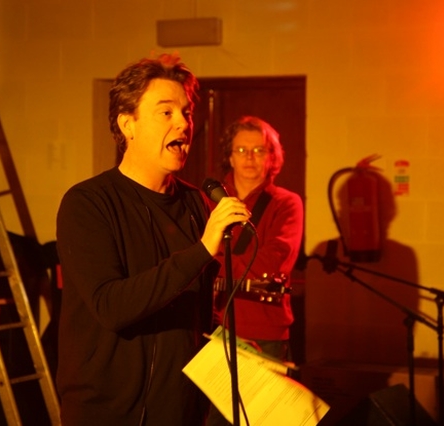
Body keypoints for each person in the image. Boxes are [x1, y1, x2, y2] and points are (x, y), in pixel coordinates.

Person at [55, 54, 251, 426]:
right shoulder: (88, 203)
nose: (183, 123)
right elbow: (111, 306)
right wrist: (202, 250)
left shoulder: (195, 202)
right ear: (127, 123)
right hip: (108, 413)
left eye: (187, 113)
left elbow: (196, 312)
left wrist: (231, 346)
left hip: (179, 411)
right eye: (166, 112)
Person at [206, 116, 304, 424]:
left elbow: (272, 262)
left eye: (259, 150)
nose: (250, 158)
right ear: (230, 155)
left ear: (272, 157)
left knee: (262, 420)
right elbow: (188, 256)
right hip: (214, 330)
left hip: (266, 334)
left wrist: (212, 261)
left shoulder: (286, 204)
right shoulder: (206, 202)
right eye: (242, 150)